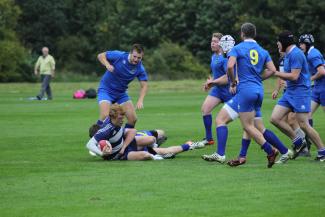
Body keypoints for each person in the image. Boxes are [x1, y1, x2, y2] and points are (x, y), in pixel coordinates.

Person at [227, 23, 283, 168]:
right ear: (254, 34)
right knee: (253, 125)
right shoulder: (262, 51)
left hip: (246, 90)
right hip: (259, 90)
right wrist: (258, 78)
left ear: (242, 34)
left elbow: (230, 66)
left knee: (247, 125)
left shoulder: (237, 48)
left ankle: (270, 151)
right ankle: (242, 156)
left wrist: (233, 82)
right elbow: (272, 70)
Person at [271, 31, 325, 161]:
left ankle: (322, 151)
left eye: (278, 42)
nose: (277, 44)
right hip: (290, 92)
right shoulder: (288, 54)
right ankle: (299, 142)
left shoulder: (296, 54)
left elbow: (294, 76)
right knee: (275, 118)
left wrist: (276, 73)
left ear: (284, 42)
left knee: (304, 124)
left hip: (300, 93)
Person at [96, 44, 148, 129]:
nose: (136, 60)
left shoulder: (140, 68)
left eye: (139, 58)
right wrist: (107, 65)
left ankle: (125, 138)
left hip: (121, 94)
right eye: (134, 56)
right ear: (130, 53)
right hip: (106, 90)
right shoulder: (119, 56)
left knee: (133, 119)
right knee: (105, 116)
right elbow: (100, 56)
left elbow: (144, 85)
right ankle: (95, 137)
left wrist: (140, 100)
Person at [198, 33, 233, 146]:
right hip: (218, 90)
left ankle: (257, 133)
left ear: (221, 43)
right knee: (205, 109)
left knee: (245, 119)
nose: (212, 43)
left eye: (215, 41)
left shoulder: (225, 58)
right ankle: (209, 139)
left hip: (229, 90)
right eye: (212, 41)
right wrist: (211, 81)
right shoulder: (214, 56)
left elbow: (228, 77)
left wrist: (213, 82)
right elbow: (217, 75)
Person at [298, 34, 325, 117]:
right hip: (317, 88)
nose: (300, 46)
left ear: (307, 44)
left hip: (323, 89)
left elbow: (322, 72)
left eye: (302, 44)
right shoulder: (311, 54)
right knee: (306, 116)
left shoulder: (313, 55)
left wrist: (309, 79)